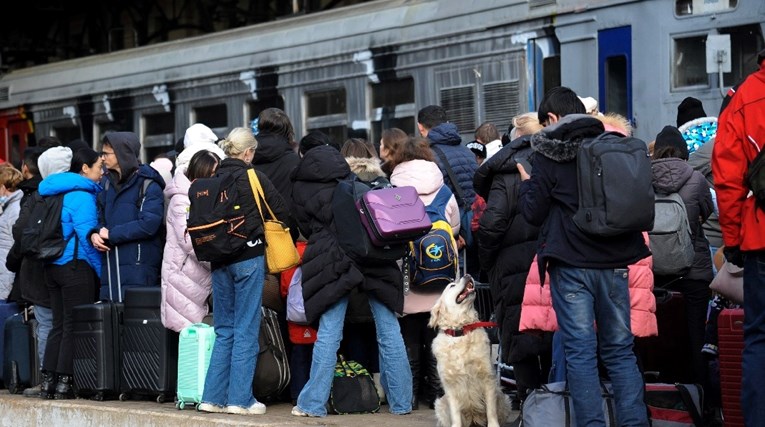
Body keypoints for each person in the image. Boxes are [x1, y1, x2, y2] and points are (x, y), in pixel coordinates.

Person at [517, 86, 650, 426]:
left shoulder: (550, 153)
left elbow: (532, 213)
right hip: (615, 264)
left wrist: (528, 183)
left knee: (580, 353)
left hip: (573, 266)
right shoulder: (611, 145)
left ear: (552, 119)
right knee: (620, 351)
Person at [290, 142, 412, 418]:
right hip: (373, 256)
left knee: (330, 332)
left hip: (333, 259)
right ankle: (402, 401)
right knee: (389, 330)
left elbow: (304, 226)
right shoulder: (353, 180)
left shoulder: (302, 185)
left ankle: (313, 404)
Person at [197, 127, 292, 415]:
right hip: (248, 258)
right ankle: (240, 399)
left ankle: (211, 398)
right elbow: (281, 212)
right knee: (246, 328)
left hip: (219, 261)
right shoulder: (253, 176)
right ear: (249, 152)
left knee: (224, 329)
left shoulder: (212, 178)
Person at [473, 112, 550, 410]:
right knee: (552, 334)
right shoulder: (554, 161)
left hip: (512, 265)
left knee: (521, 338)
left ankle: (531, 406)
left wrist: (489, 261)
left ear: (515, 139)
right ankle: (556, 404)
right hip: (549, 259)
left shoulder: (505, 172)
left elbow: (491, 224)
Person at [382, 130, 460, 410]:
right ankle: (436, 395)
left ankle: (410, 394)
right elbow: (455, 227)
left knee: (409, 336)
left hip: (407, 276)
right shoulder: (444, 188)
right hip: (441, 276)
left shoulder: (392, 189)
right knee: (436, 335)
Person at [711, 48, 765, 427]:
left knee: (759, 338)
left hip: (761, 238)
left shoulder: (745, 97)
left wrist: (734, 241)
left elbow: (728, 181)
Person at [38, 147, 103, 399]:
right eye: (99, 167)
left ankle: (48, 381)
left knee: (58, 324)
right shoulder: (81, 195)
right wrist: (100, 272)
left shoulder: (51, 192)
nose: (102, 172)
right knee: (73, 325)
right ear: (84, 168)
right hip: (75, 266)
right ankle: (66, 382)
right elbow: (88, 239)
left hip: (51, 265)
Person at [89, 132, 165, 301]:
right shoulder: (106, 184)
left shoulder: (148, 184)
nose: (102, 158)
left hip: (139, 266)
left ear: (122, 153)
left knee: (136, 320)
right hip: (111, 266)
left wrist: (112, 234)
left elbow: (148, 225)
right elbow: (100, 220)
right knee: (112, 321)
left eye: (106, 154)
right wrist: (94, 234)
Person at [4, 147, 54, 397]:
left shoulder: (35, 195)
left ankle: (47, 378)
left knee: (45, 323)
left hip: (37, 269)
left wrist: (13, 262)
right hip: (69, 269)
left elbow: (21, 233)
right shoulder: (84, 191)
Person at [160, 149, 221, 333]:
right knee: (191, 342)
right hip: (183, 279)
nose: (215, 179)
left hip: (194, 278)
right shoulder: (181, 201)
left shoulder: (201, 197)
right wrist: (221, 257)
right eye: (211, 174)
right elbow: (191, 242)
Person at [0, 165, 24, 300]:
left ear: (3, 187)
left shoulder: (15, 209)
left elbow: (14, 244)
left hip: (7, 274)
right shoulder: (9, 206)